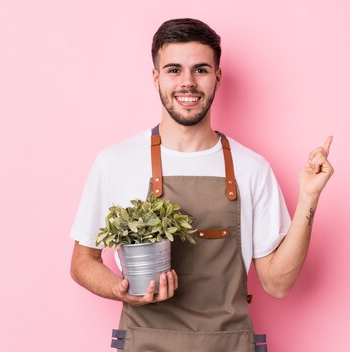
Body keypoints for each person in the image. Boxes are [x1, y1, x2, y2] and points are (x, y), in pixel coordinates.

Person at [69, 18, 333, 351]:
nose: (188, 83)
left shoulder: (252, 168)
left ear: (217, 78)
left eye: (201, 70)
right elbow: (82, 262)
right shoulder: (115, 162)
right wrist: (121, 289)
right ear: (156, 78)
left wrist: (309, 197)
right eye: (174, 70)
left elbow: (277, 284)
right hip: (145, 342)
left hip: (229, 344)